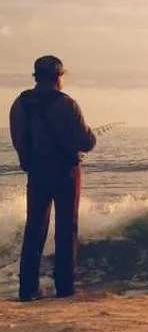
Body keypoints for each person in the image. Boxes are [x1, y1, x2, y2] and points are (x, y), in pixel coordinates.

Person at [9, 55, 96, 301]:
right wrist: (90, 137)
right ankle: (65, 288)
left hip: (36, 172)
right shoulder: (67, 104)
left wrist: (27, 160)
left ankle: (28, 289)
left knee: (34, 229)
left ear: (36, 76)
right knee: (66, 228)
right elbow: (86, 141)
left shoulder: (20, 104)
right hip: (66, 173)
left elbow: (18, 139)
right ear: (59, 77)